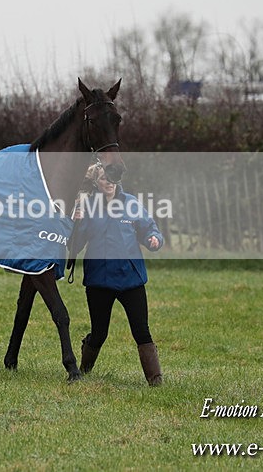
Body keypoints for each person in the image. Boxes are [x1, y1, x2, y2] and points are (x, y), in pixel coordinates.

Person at [70, 163, 164, 385]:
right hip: (99, 281)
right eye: (104, 178)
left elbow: (149, 229)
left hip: (130, 279)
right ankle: (85, 368)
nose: (110, 182)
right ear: (96, 183)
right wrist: (74, 223)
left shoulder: (131, 203)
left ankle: (155, 379)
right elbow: (75, 245)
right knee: (99, 333)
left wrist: (154, 240)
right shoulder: (87, 207)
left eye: (112, 178)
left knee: (141, 331)